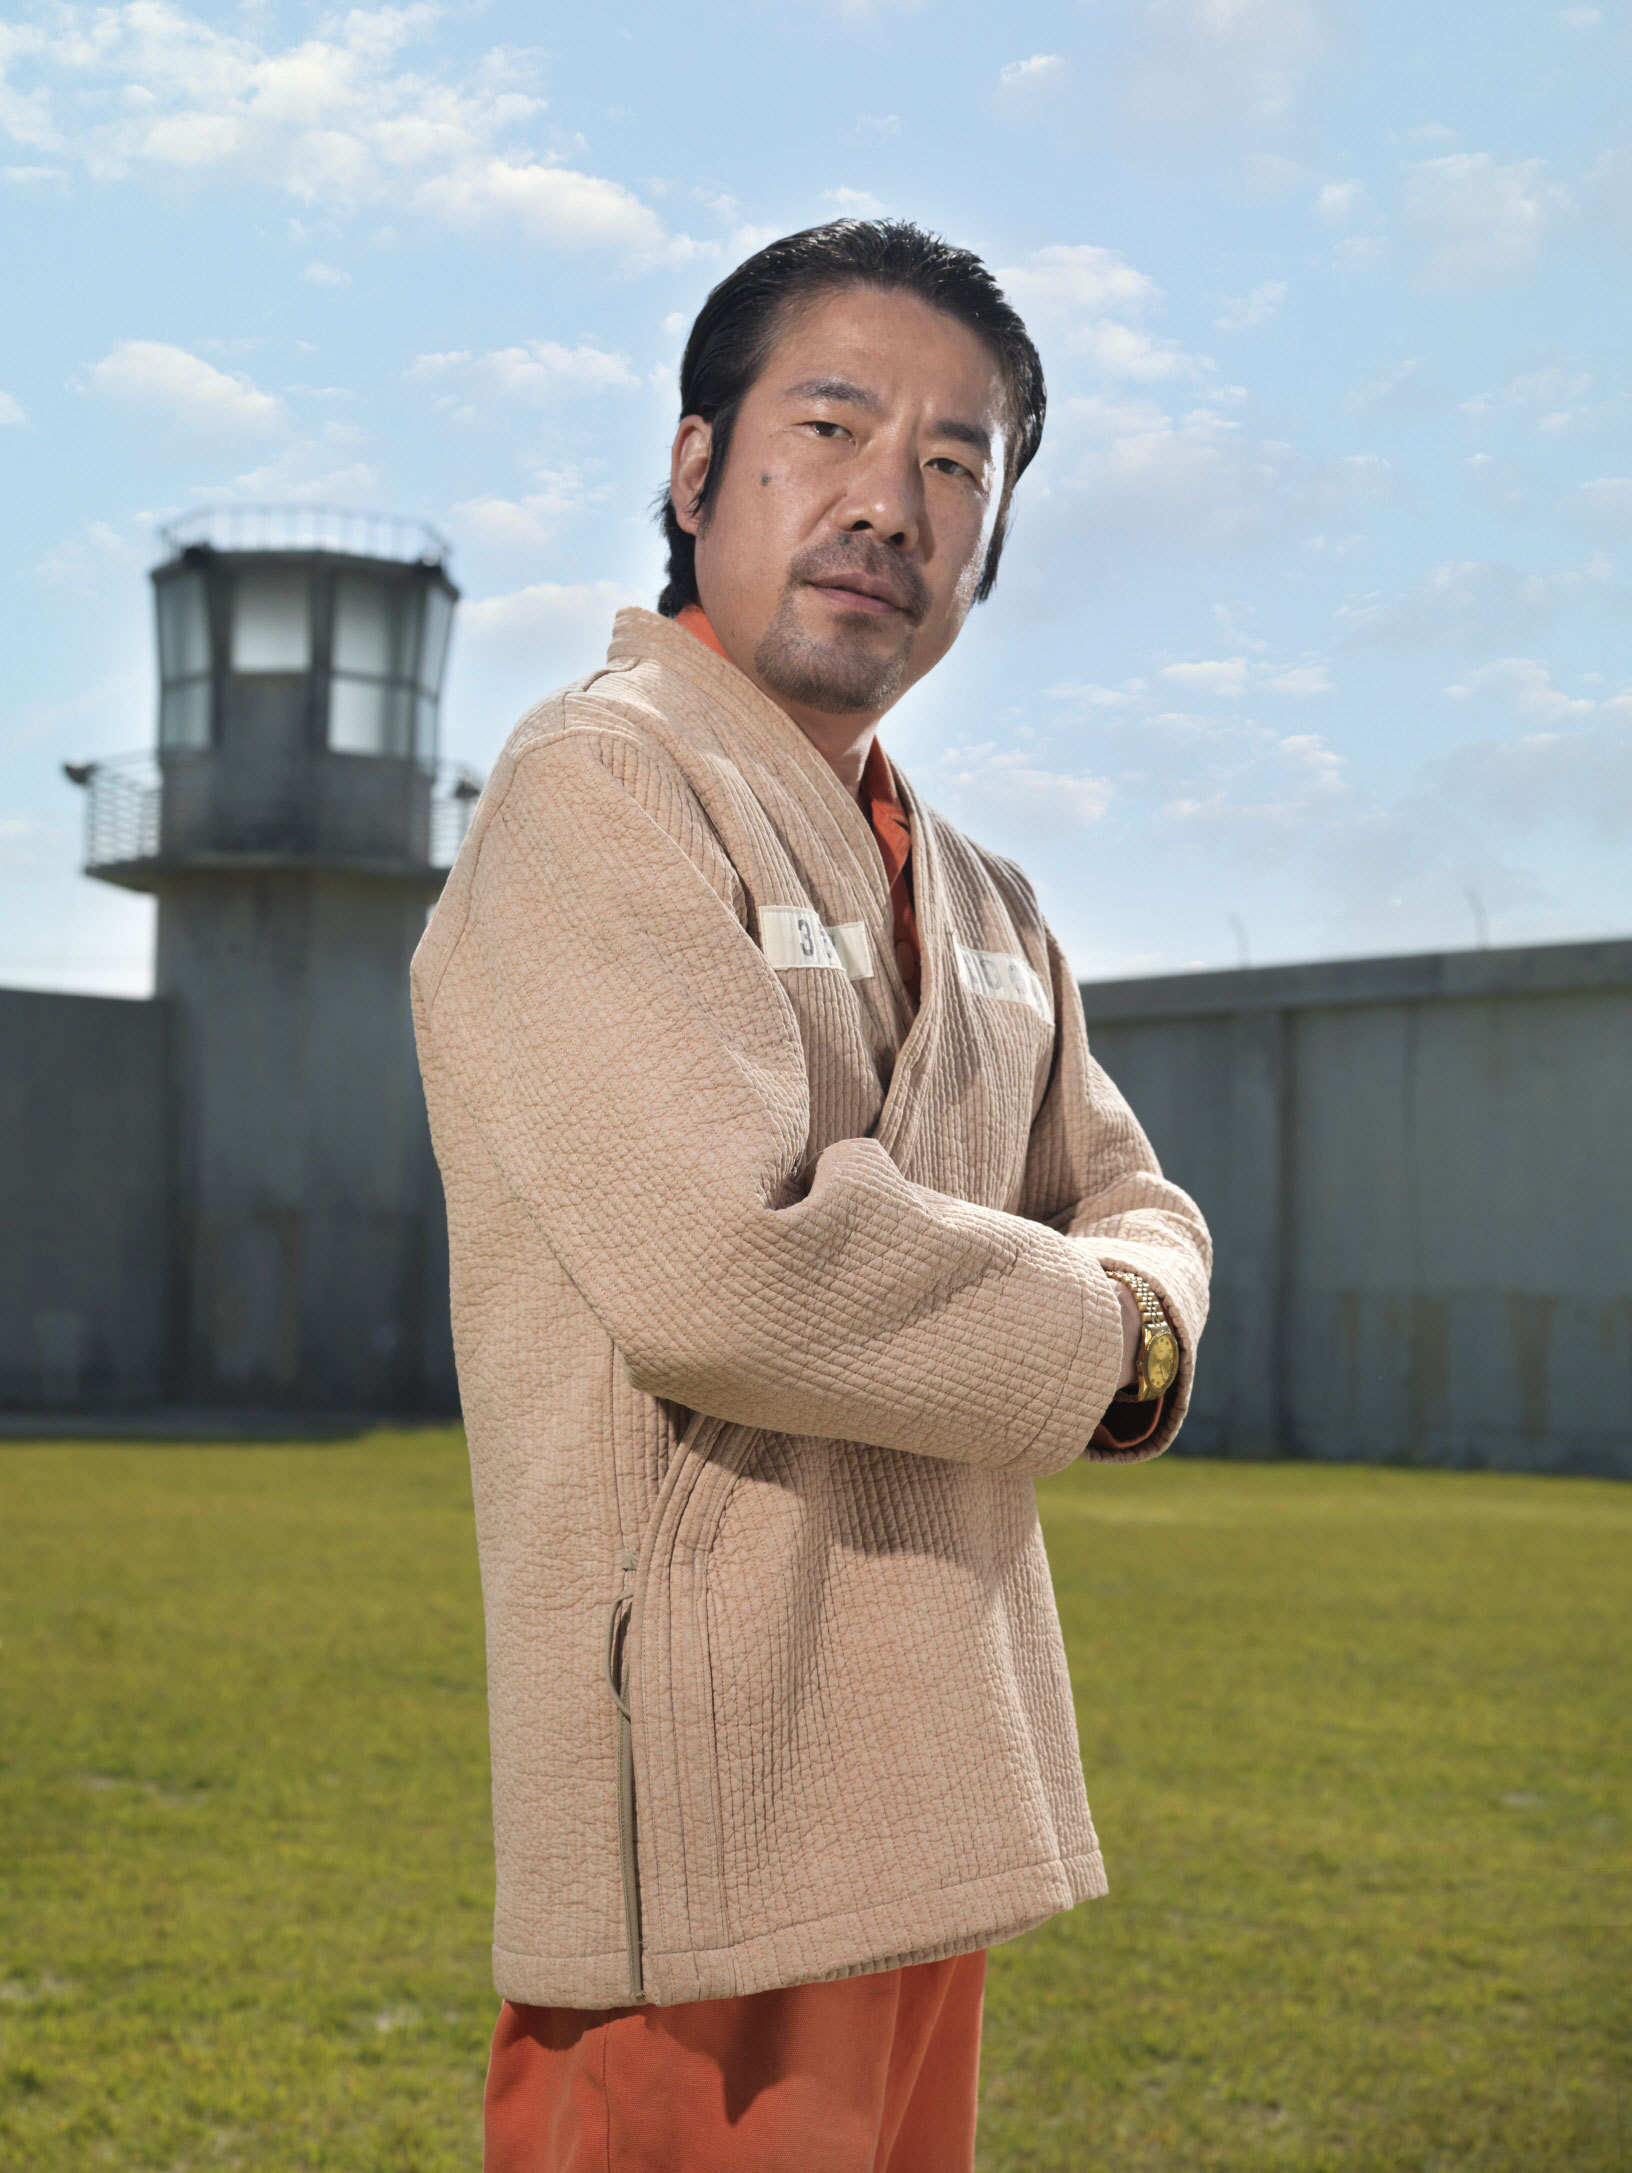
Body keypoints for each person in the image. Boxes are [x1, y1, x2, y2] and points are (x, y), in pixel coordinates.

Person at [412, 220, 1211, 2173]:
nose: (889, 503)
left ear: (989, 544)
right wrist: (1113, 1338)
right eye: (833, 428)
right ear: (697, 471)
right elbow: (733, 1262)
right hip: (711, 1822)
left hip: (939, 1791)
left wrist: (1130, 1299)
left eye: (954, 463)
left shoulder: (988, 896)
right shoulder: (600, 789)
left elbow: (1136, 1198)